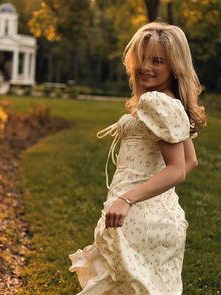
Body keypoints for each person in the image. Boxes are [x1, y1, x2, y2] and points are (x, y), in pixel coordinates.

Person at [69, 21, 206, 295]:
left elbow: (178, 169)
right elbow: (191, 161)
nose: (146, 66)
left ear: (174, 67)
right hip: (161, 217)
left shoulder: (156, 102)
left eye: (158, 61)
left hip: (136, 216)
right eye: (143, 58)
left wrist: (126, 199)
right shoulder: (171, 102)